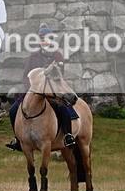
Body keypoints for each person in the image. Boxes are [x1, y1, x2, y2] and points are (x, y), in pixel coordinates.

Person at [6, 23, 78, 151]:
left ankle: (67, 136)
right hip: (33, 92)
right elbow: (25, 75)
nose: (44, 41)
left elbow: (59, 76)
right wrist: (30, 88)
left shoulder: (57, 56)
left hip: (52, 92)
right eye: (41, 38)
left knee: (63, 109)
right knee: (13, 110)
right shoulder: (34, 56)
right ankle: (17, 139)